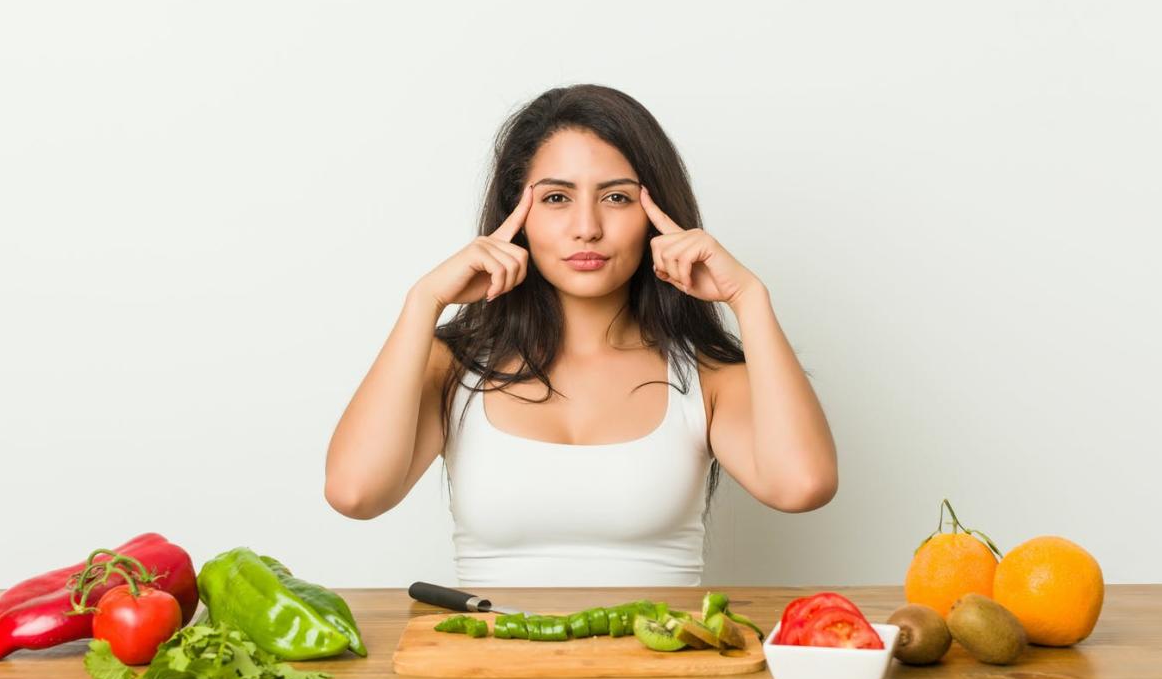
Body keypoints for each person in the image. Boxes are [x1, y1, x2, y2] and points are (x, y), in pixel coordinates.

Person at [324, 84, 838, 587]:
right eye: (555, 198)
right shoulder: (451, 365)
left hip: (664, 672)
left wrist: (749, 298)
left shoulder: (708, 376)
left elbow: (802, 486)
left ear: (654, 215)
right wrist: (423, 303)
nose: (587, 227)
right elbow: (356, 494)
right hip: (492, 668)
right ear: (516, 217)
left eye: (616, 197)